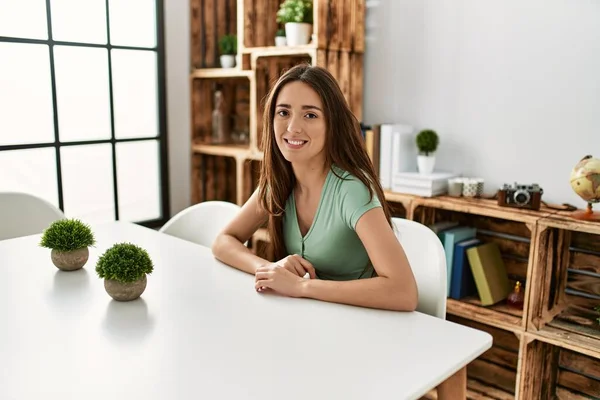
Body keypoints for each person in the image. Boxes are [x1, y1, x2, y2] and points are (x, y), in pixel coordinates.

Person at [212, 63, 418, 312]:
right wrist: (268, 269)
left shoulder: (351, 189)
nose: (292, 128)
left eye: (310, 115)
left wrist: (301, 287)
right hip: (309, 318)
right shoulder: (278, 181)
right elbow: (224, 241)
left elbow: (403, 292)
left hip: (360, 324)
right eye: (283, 112)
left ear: (332, 124)